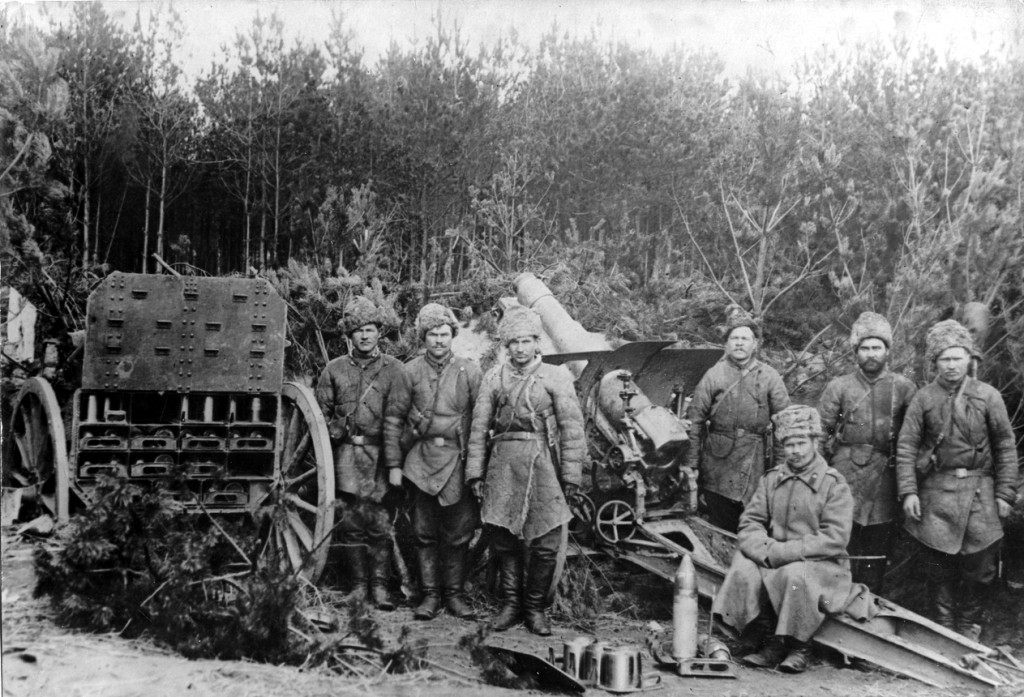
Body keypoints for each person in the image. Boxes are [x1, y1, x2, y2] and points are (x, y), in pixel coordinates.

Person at [713, 405, 867, 674]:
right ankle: (762, 637)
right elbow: (750, 522)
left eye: (801, 443)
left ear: (815, 442)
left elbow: (834, 537)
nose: (795, 450)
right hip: (773, 556)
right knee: (744, 568)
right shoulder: (771, 480)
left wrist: (784, 552)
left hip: (823, 564)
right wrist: (765, 550)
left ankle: (798, 646)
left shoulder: (833, 484)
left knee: (795, 575)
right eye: (789, 444)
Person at [465, 306, 586, 636]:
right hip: (503, 465)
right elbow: (478, 429)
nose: (520, 349)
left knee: (545, 543)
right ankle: (510, 606)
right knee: (505, 541)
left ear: (537, 342)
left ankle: (535, 609)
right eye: (514, 342)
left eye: (526, 341)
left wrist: (571, 477)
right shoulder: (494, 377)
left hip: (544, 466)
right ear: (506, 345)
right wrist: (475, 473)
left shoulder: (556, 377)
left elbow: (572, 429)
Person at [895, 320, 1019, 640]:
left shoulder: (988, 396)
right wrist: (909, 491)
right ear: (935, 362)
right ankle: (943, 626)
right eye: (944, 359)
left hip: (980, 489)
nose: (951, 365)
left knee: (981, 566)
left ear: (969, 358)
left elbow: (1005, 446)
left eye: (957, 357)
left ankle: (968, 625)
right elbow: (907, 447)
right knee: (937, 565)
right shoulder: (923, 398)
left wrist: (1005, 493)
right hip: (936, 490)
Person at [387, 303, 482, 621]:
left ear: (452, 335)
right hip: (421, 463)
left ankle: (454, 596)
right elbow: (394, 420)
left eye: (444, 334)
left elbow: (481, 422)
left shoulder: (470, 371)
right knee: (423, 533)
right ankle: (429, 596)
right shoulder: (409, 371)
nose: (438, 340)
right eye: (432, 334)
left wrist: (476, 469)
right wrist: (394, 465)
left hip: (457, 462)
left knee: (458, 534)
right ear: (423, 337)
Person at [315, 295, 404, 610]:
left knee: (379, 524)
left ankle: (379, 589)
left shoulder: (395, 370)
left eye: (370, 329)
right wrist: (335, 427)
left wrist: (395, 461)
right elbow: (319, 416)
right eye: (358, 331)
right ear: (349, 335)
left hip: (381, 457)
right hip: (346, 456)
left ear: (379, 332)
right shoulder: (334, 370)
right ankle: (357, 587)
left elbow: (403, 416)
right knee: (351, 524)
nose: (365, 336)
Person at [817, 312, 917, 593]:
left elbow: (915, 436)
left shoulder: (904, 388)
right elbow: (820, 432)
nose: (871, 354)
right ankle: (838, 598)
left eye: (877, 347)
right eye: (865, 348)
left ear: (887, 351)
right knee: (842, 540)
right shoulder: (840, 387)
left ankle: (869, 601)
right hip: (844, 475)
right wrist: (819, 478)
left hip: (886, 477)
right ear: (856, 352)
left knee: (877, 546)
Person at [686, 305, 790, 533]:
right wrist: (692, 464)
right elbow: (695, 421)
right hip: (717, 463)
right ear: (726, 344)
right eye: (734, 338)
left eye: (745, 338)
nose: (739, 343)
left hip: (756, 461)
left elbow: (785, 425)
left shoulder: (770, 376)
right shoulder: (714, 374)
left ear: (755, 344)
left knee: (755, 522)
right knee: (720, 522)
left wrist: (781, 467)